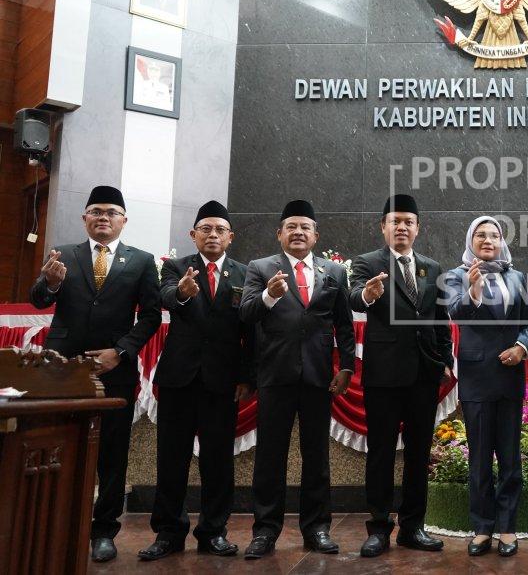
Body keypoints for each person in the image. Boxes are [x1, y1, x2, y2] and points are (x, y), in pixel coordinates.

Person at [30, 185, 161, 563]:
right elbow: (40, 299)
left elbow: (151, 315)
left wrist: (119, 352)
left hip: (114, 371)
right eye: (96, 211)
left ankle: (103, 531)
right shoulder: (63, 254)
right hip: (62, 368)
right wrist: (50, 283)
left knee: (112, 452)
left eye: (111, 212)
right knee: (58, 443)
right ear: (84, 217)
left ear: (123, 220)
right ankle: (55, 522)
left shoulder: (141, 261)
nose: (103, 217)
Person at [238, 200, 355, 559]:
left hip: (319, 377)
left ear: (316, 235)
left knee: (316, 455)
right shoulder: (260, 269)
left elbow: (344, 325)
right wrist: (269, 296)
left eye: (305, 227)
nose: (299, 232)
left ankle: (317, 527)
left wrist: (347, 367)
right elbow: (246, 314)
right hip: (275, 374)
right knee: (270, 456)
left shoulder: (334, 272)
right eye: (292, 226)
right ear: (280, 233)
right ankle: (265, 530)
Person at [138, 200, 253, 561]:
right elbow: (167, 297)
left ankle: (213, 532)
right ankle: (168, 533)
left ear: (230, 237)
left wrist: (247, 376)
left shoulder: (245, 273)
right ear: (193, 234)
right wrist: (183, 293)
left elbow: (252, 330)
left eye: (220, 230)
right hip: (180, 378)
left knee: (218, 460)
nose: (213, 235)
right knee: (171, 457)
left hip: (223, 381)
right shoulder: (175, 267)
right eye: (206, 229)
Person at [349, 194, 454, 557]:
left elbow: (441, 318)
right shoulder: (367, 263)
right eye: (395, 222)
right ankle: (378, 528)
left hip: (423, 376)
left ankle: (413, 527)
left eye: (408, 222)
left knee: (418, 453)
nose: (402, 227)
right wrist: (366, 293)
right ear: (383, 227)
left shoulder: (432, 267)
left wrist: (446, 358)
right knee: (380, 453)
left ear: (418, 228)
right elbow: (352, 297)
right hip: (383, 375)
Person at [444, 216, 528, 557]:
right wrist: (473, 291)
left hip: (510, 377)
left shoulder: (515, 276)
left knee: (511, 459)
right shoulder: (457, 275)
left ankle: (508, 528)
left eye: (494, 235)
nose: (487, 240)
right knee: (480, 459)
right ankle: (482, 528)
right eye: (480, 235)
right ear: (471, 240)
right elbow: (455, 314)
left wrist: (521, 348)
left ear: (502, 240)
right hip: (478, 379)